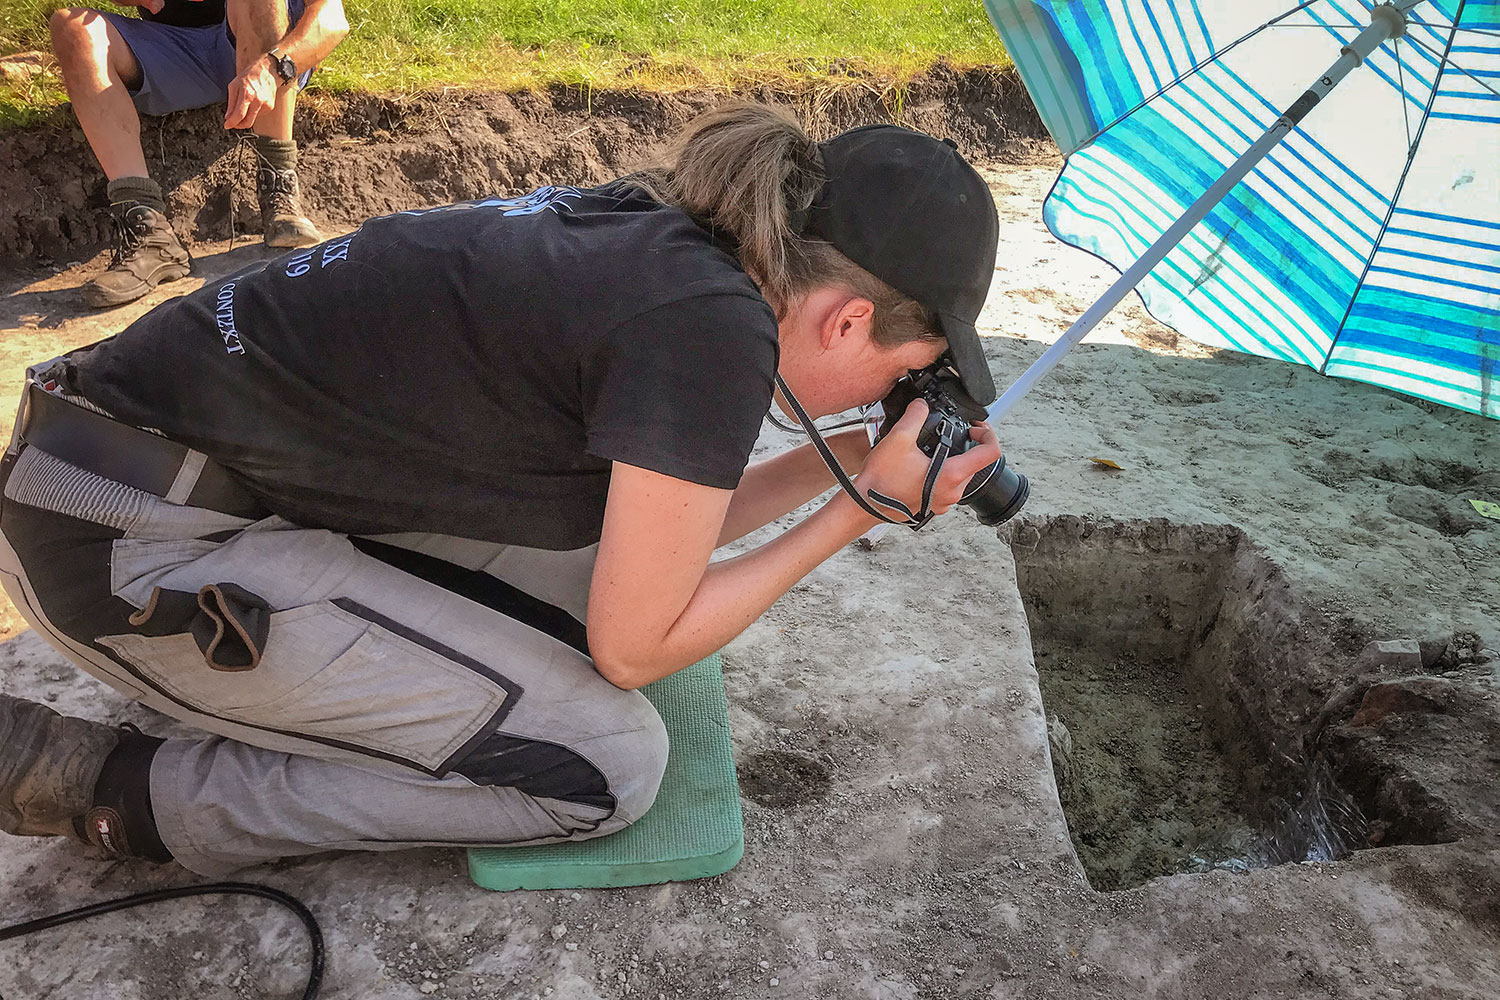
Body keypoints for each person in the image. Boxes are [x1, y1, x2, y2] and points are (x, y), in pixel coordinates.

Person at [0, 103, 1004, 876]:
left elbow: (654, 540)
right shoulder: (708, 332)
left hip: (116, 466)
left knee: (588, 583)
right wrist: (859, 510)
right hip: (123, 548)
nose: (887, 395)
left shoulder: (671, 243)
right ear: (847, 319)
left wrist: (843, 459)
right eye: (905, 371)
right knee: (604, 767)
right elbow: (636, 644)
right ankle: (116, 787)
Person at [47, 0, 350, 308]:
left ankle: (279, 186)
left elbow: (332, 20)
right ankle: (146, 226)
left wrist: (273, 68)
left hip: (271, 55)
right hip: (176, 51)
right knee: (71, 27)